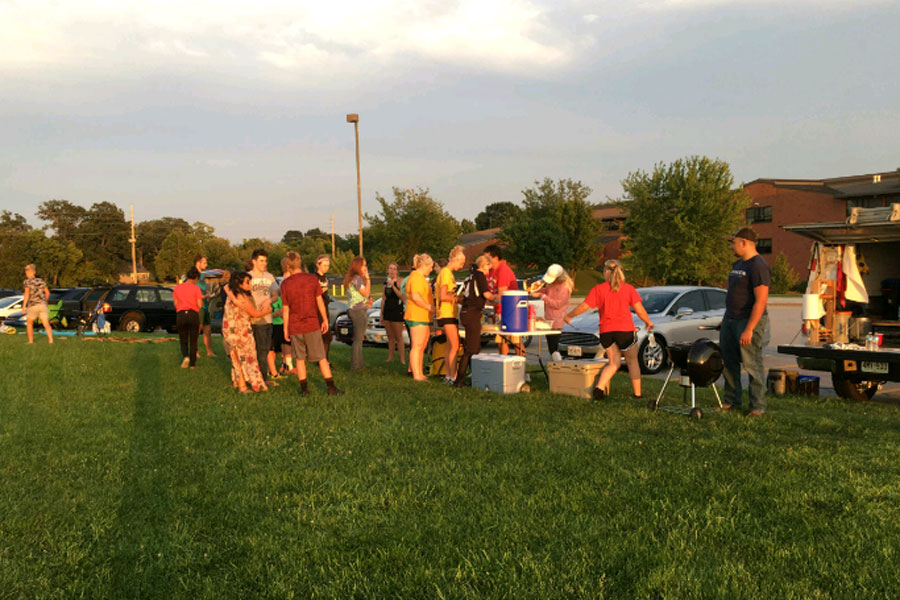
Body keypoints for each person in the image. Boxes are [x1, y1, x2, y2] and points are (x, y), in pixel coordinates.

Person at [565, 260, 654, 401]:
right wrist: (648, 322)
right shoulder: (628, 289)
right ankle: (637, 394)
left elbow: (583, 307)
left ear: (606, 271)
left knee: (614, 363)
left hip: (606, 332)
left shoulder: (598, 289)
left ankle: (599, 388)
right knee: (632, 362)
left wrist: (569, 316)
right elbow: (640, 310)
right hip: (625, 332)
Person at [720, 227, 771, 417]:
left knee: (752, 364)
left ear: (744, 243)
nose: (732, 247)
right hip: (730, 319)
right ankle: (731, 401)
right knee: (729, 362)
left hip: (748, 321)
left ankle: (757, 406)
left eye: (734, 243)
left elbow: (761, 300)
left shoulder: (758, 265)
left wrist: (749, 329)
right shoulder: (737, 265)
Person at [281, 251, 342, 396]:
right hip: (312, 324)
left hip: (295, 326)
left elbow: (286, 308)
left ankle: (305, 390)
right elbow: (319, 300)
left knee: (300, 360)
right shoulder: (311, 279)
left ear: (288, 266)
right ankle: (331, 387)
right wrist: (325, 320)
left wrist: (285, 328)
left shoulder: (286, 284)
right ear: (300, 263)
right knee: (321, 357)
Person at [223, 271, 272, 393]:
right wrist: (269, 311)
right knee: (247, 357)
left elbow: (225, 286)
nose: (250, 285)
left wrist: (234, 299)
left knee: (236, 356)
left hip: (229, 330)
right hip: (242, 330)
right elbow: (254, 314)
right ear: (239, 284)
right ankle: (250, 385)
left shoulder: (231, 295)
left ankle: (239, 383)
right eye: (247, 282)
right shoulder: (242, 298)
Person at [454, 255, 495, 387]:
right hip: (472, 313)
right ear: (484, 265)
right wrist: (499, 297)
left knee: (472, 346)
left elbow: (463, 295)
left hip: (466, 312)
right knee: (472, 349)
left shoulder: (469, 276)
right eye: (489, 267)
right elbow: (486, 294)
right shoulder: (480, 276)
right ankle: (459, 380)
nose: (489, 270)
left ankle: (473, 375)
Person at [529, 264, 573, 361]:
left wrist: (543, 297)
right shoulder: (552, 283)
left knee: (554, 348)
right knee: (551, 347)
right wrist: (538, 290)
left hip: (557, 321)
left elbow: (558, 304)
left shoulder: (565, 288)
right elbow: (548, 290)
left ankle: (557, 367)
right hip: (549, 319)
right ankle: (554, 367)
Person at [484, 244, 522, 356]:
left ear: (495, 258)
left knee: (515, 340)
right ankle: (503, 363)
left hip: (510, 310)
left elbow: (502, 295)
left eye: (487, 258)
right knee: (501, 340)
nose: (485, 261)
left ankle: (520, 363)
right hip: (498, 310)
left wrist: (488, 300)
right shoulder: (490, 271)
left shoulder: (503, 271)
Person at [435, 246, 466, 383]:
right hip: (446, 312)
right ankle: (452, 375)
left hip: (449, 312)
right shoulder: (446, 273)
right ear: (455, 260)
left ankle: (448, 374)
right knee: (455, 345)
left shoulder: (448, 274)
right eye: (461, 263)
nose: (462, 266)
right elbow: (443, 296)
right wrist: (458, 299)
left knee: (449, 346)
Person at [405, 253, 435, 382]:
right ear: (425, 265)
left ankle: (420, 372)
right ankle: (416, 375)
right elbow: (416, 296)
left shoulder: (419, 277)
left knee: (421, 345)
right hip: (417, 315)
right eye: (431, 267)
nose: (431, 269)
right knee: (417, 345)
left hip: (422, 316)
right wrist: (429, 307)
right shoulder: (416, 278)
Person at [248, 249, 276, 380]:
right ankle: (261, 377)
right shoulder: (248, 277)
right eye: (261, 261)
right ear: (254, 261)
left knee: (265, 349)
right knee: (257, 350)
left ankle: (262, 376)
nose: (264, 263)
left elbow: (276, 294)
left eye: (265, 261)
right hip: (253, 319)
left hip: (267, 318)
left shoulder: (269, 277)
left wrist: (269, 300)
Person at [344, 256, 371, 371]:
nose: (365, 267)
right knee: (358, 340)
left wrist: (367, 302)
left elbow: (361, 296)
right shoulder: (357, 279)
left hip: (357, 309)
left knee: (359, 339)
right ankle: (355, 366)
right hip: (357, 311)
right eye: (364, 265)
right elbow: (365, 293)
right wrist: (368, 279)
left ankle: (359, 364)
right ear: (358, 266)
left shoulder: (353, 278)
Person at [173, 266, 203, 368]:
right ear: (195, 278)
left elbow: (175, 304)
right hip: (193, 314)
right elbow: (200, 305)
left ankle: (186, 356)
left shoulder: (177, 288)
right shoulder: (196, 288)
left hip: (181, 314)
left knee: (183, 339)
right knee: (193, 340)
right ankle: (193, 365)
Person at [380, 262, 406, 365]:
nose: (392, 271)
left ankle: (402, 359)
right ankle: (390, 357)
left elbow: (402, 297)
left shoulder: (400, 281)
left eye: (394, 269)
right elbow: (383, 298)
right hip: (387, 310)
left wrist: (393, 286)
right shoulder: (385, 283)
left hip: (397, 310)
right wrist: (381, 314)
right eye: (390, 269)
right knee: (390, 336)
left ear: (397, 271)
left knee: (398, 336)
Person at [22, 264, 53, 344]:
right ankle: (50, 340)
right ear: (34, 272)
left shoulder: (27, 282)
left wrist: (24, 306)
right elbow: (47, 293)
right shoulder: (41, 281)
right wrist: (45, 302)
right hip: (43, 304)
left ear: (27, 272)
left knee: (29, 323)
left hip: (33, 305)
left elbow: (27, 293)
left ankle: (31, 341)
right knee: (46, 323)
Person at [193, 254, 216, 357]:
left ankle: (209, 351)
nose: (206, 265)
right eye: (204, 263)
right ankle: (195, 351)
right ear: (198, 263)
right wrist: (203, 296)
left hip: (205, 305)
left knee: (208, 329)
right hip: (198, 307)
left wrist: (207, 296)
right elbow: (191, 292)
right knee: (197, 329)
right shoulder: (193, 275)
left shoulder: (202, 276)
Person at [314, 254, 334, 362]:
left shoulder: (325, 278)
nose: (327, 267)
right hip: (317, 309)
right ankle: (321, 359)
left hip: (325, 307)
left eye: (328, 265)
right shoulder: (314, 278)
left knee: (327, 335)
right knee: (322, 335)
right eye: (324, 265)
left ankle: (325, 359)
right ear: (318, 265)